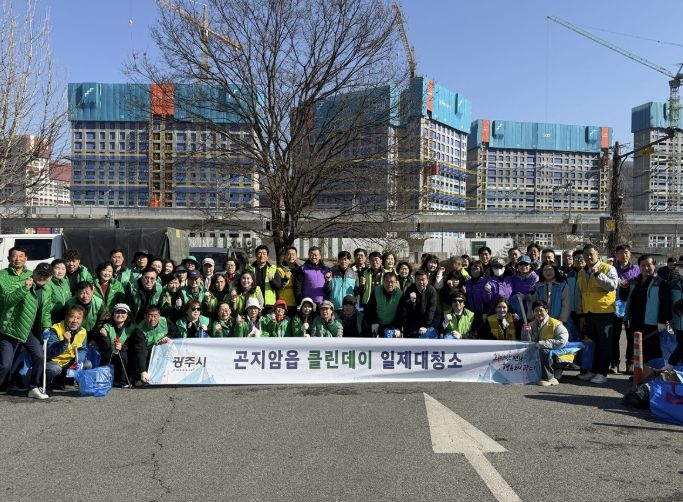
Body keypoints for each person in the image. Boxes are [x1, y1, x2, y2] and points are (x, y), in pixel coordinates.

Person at [0, 263, 54, 399]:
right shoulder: (22, 283)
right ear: (34, 272)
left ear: (50, 278)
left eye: (46, 275)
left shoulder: (48, 290)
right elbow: (7, 301)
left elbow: (46, 312)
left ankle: (33, 387)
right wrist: (24, 289)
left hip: (28, 332)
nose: (42, 277)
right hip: (11, 329)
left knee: (39, 356)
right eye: (40, 273)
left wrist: (47, 326)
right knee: (5, 365)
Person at [576, 244, 619, 384]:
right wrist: (581, 314)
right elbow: (579, 294)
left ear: (597, 255)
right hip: (589, 313)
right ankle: (593, 371)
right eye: (585, 255)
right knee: (594, 344)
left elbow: (612, 286)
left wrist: (598, 274)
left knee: (605, 345)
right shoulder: (582, 272)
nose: (588, 257)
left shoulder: (608, 268)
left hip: (605, 313)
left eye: (591, 254)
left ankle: (602, 373)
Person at [623, 254, 671, 365]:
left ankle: (651, 373)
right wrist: (623, 288)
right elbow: (625, 298)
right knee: (637, 349)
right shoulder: (634, 281)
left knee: (652, 351)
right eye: (642, 265)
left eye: (649, 265)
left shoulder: (661, 283)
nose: (645, 268)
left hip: (652, 323)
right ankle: (638, 372)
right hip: (635, 320)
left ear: (654, 265)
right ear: (639, 266)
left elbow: (666, 304)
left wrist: (663, 321)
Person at [522, 300, 569, 386]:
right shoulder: (530, 325)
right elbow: (526, 342)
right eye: (536, 311)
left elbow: (562, 341)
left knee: (544, 351)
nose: (538, 313)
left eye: (541, 310)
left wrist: (542, 344)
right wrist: (526, 332)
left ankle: (549, 378)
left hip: (555, 354)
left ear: (546, 311)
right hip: (538, 353)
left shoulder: (556, 324)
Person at [127, 305, 178, 384]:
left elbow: (175, 332)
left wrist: (168, 337)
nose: (153, 319)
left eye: (155, 316)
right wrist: (143, 371)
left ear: (159, 315)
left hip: (163, 350)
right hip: (149, 353)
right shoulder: (139, 330)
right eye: (150, 316)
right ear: (145, 316)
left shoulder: (165, 321)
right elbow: (140, 350)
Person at [44, 305, 91, 391]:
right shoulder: (55, 328)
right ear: (66, 317)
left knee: (87, 364)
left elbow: (83, 349)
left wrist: (78, 361)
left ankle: (66, 383)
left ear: (82, 320)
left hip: (69, 362)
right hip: (55, 361)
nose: (75, 321)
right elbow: (51, 352)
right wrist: (64, 342)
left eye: (78, 318)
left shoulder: (83, 331)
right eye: (72, 317)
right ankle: (47, 383)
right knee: (54, 369)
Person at [611, 244, 640, 374]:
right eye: (621, 252)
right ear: (616, 255)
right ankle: (614, 363)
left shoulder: (637, 269)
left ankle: (630, 363)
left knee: (631, 336)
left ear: (630, 254)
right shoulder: (611, 269)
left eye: (627, 252)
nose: (625, 255)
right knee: (614, 336)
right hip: (613, 308)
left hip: (631, 308)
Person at [95, 303, 134, 387]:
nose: (120, 315)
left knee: (123, 354)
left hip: (124, 358)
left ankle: (123, 381)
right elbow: (104, 347)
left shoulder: (132, 328)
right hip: (109, 357)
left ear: (127, 315)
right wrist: (105, 337)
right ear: (113, 314)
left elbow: (133, 346)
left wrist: (122, 347)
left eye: (123, 313)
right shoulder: (106, 327)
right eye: (117, 312)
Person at [363, 272, 403, 337]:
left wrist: (398, 328)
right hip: (378, 324)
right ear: (383, 282)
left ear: (396, 283)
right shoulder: (376, 291)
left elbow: (401, 313)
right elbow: (371, 308)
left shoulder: (400, 294)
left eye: (392, 282)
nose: (389, 284)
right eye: (387, 281)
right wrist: (374, 322)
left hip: (393, 325)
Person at [401, 270, 437, 338]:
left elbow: (431, 309)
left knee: (427, 336)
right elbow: (406, 309)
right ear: (415, 280)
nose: (421, 282)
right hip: (412, 321)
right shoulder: (410, 289)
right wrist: (412, 301)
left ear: (427, 280)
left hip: (427, 320)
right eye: (418, 279)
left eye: (423, 279)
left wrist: (426, 325)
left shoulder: (431, 290)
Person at [246, 245, 282, 312]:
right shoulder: (249, 269)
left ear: (267, 256)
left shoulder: (273, 269)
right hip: (253, 304)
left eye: (264, 253)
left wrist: (272, 280)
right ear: (256, 255)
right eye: (259, 253)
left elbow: (279, 287)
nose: (262, 256)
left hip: (268, 305)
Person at [505, 255, 538, 321]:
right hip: (516, 310)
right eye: (521, 264)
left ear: (530, 266)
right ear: (517, 266)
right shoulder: (513, 278)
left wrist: (525, 297)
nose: (523, 266)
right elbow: (510, 292)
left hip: (531, 311)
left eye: (526, 264)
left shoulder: (535, 278)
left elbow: (536, 294)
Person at [463, 261, 494, 330]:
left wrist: (487, 292)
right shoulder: (466, 283)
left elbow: (487, 300)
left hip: (481, 313)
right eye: (472, 269)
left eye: (476, 269)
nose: (474, 271)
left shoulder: (485, 282)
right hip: (469, 312)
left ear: (481, 270)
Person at [46, 259, 72, 323]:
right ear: (52, 269)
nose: (60, 272)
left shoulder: (65, 282)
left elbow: (70, 297)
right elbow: (46, 304)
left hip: (66, 319)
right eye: (57, 268)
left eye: (63, 269)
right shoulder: (47, 283)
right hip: (52, 320)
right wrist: (61, 307)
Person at [277, 246, 300, 317]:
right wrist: (285, 279)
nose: (291, 256)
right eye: (288, 254)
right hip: (283, 303)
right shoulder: (279, 269)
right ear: (285, 256)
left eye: (293, 254)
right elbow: (277, 285)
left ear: (296, 256)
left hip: (296, 302)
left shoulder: (299, 270)